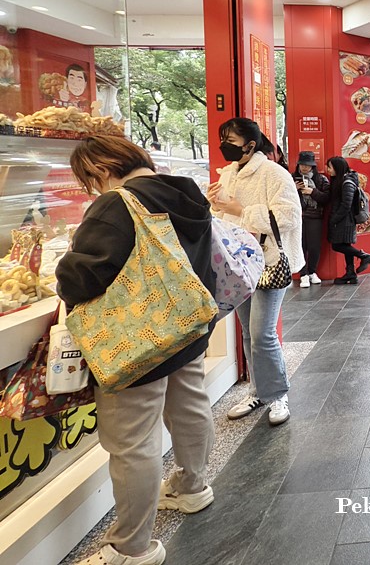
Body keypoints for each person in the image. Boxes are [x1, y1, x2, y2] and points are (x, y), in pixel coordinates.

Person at [57, 136, 216, 565]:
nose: (92, 187)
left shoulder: (117, 205)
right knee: (190, 406)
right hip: (187, 328)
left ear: (103, 166)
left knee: (133, 443)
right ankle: (193, 488)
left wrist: (65, 264)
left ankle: (132, 548)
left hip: (138, 341)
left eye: (90, 177)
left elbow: (82, 276)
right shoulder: (187, 193)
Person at [208, 118, 303, 426]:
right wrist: (213, 205)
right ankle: (258, 391)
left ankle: (278, 395)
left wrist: (239, 210)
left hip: (269, 261)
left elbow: (287, 216)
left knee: (262, 334)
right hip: (237, 265)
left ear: (250, 144)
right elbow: (221, 218)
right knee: (249, 333)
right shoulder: (227, 175)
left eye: (231, 140)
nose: (225, 146)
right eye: (223, 139)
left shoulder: (273, 174)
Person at [325, 156, 370, 284]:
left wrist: (334, 219)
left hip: (345, 221)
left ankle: (365, 256)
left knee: (337, 245)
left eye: (329, 167)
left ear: (338, 168)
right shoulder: (340, 180)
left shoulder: (347, 183)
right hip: (344, 220)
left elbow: (346, 205)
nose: (327, 169)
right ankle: (350, 273)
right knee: (346, 245)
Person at [293, 150, 331, 288]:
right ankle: (303, 274)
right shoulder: (291, 178)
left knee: (314, 246)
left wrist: (312, 192)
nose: (304, 168)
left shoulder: (320, 179)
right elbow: (283, 197)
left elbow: (327, 197)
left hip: (315, 216)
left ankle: (312, 272)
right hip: (298, 217)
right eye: (302, 165)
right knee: (300, 246)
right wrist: (294, 189)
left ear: (312, 166)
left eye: (307, 165)